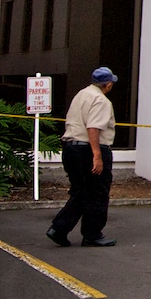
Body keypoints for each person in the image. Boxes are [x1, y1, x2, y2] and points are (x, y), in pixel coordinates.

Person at [46, 67, 119, 247]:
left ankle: (59, 228)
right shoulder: (101, 100)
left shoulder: (81, 94)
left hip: (71, 147)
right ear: (108, 84)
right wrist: (97, 156)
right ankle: (92, 234)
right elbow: (93, 128)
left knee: (81, 191)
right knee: (97, 193)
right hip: (89, 148)